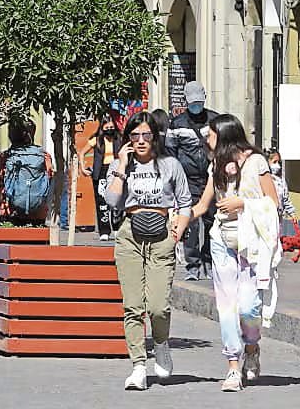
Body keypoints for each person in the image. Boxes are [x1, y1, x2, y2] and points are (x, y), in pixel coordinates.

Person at [191, 113, 281, 393]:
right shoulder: (216, 164)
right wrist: (179, 220)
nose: (207, 139)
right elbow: (203, 204)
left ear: (225, 135)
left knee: (249, 307)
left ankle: (252, 348)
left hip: (250, 244)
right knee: (227, 305)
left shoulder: (256, 163)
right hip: (222, 240)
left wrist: (242, 204)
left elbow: (273, 202)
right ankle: (232, 365)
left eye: (211, 134)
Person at [104, 111, 193, 391]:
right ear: (128, 138)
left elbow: (185, 202)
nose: (140, 141)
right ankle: (139, 366)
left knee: (157, 306)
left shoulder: (170, 165)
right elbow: (112, 200)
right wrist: (121, 164)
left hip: (161, 236)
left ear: (155, 137)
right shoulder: (121, 165)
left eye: (146, 135)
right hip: (130, 235)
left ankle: (161, 343)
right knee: (132, 306)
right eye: (134, 136)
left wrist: (178, 229)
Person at [169, 82, 218, 279]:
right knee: (190, 222)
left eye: (199, 102)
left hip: (210, 178)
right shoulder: (177, 124)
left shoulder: (214, 120)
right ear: (186, 101)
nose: (196, 106)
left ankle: (208, 259)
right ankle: (193, 265)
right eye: (192, 102)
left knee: (212, 221)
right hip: (187, 180)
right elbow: (170, 153)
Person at [0, 117, 53, 223]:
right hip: (38, 212)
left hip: (10, 211)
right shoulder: (44, 155)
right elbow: (50, 176)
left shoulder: (5, 156)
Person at [79, 113, 120, 240]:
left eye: (111, 127)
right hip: (101, 171)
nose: (109, 130)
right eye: (107, 127)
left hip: (115, 169)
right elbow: (82, 152)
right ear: (102, 127)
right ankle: (104, 231)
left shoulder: (119, 138)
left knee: (117, 199)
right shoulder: (96, 139)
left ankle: (117, 227)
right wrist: (83, 167)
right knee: (101, 201)